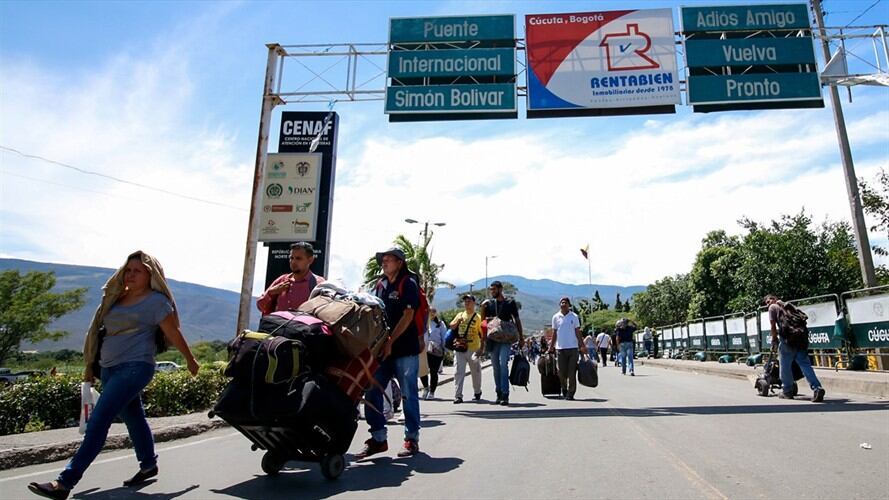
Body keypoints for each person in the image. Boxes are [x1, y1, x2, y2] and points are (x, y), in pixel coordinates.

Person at [28, 251, 199, 500]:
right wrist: (90, 366)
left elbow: (173, 332)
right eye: (128, 270)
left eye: (137, 271)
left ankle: (64, 482)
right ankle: (148, 464)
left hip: (135, 367)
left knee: (98, 422)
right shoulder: (115, 297)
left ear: (150, 275)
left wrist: (190, 360)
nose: (130, 274)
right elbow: (98, 332)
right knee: (134, 417)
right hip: (108, 367)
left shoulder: (156, 301)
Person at [356, 248, 422, 459]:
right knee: (372, 390)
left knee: (408, 394)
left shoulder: (408, 283)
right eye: (382, 260)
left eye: (388, 260)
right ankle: (378, 438)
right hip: (383, 350)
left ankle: (411, 439)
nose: (384, 263)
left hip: (405, 349)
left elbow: (408, 315)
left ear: (399, 263)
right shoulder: (380, 285)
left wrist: (391, 341)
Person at [765, 295, 825, 402]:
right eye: (767, 303)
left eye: (769, 301)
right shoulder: (788, 305)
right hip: (800, 338)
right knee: (805, 365)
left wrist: (774, 339)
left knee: (785, 365)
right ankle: (817, 388)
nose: (768, 303)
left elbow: (773, 325)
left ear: (774, 299)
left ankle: (787, 390)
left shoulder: (772, 308)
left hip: (787, 340)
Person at [480, 280, 524, 406]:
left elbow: (517, 320)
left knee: (503, 363)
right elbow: (483, 322)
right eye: (491, 289)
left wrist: (521, 337)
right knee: (495, 366)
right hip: (493, 339)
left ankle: (505, 394)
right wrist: (482, 307)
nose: (492, 292)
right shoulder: (489, 304)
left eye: (494, 289)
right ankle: (498, 392)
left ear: (500, 289)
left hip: (506, 338)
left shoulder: (510, 302)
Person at [256, 241, 325, 315]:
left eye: (298, 258)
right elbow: (260, 306)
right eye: (291, 258)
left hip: (303, 322)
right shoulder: (282, 280)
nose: (293, 262)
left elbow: (324, 311)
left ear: (310, 260)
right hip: (278, 322)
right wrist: (271, 293)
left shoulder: (318, 284)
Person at [548, 297, 586, 400]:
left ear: (569, 305)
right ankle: (564, 388)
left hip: (573, 348)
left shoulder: (574, 316)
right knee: (561, 372)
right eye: (561, 302)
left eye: (565, 302)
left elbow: (578, 332)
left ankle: (571, 393)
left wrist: (582, 345)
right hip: (560, 348)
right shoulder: (555, 317)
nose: (563, 304)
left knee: (572, 372)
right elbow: (554, 333)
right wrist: (551, 347)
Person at [449, 294, 484, 404]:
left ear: (474, 303)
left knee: (476, 372)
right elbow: (451, 326)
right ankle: (458, 395)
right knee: (458, 372)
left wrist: (481, 348)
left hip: (473, 348)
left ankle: (477, 391)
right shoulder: (460, 315)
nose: (466, 303)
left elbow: (482, 333)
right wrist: (457, 321)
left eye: (469, 301)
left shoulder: (478, 318)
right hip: (460, 348)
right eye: (465, 301)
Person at [421, 308, 447, 400]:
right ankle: (425, 388)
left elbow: (444, 337)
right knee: (423, 370)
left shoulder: (440, 324)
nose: (432, 313)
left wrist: (444, 350)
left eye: (434, 312)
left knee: (434, 372)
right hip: (424, 350)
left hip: (436, 351)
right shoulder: (423, 322)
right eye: (430, 311)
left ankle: (432, 391)